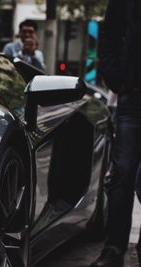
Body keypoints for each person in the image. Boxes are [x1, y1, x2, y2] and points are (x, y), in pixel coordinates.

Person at [90, 0, 141, 266]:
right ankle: (114, 248)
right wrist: (114, 74)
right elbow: (109, 33)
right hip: (132, 94)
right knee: (122, 172)